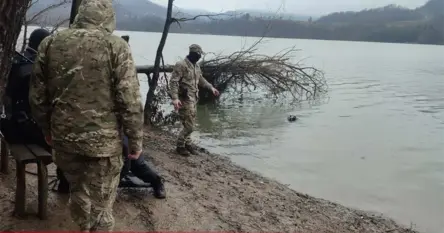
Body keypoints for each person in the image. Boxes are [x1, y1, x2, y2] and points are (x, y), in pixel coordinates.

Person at [28, 0, 143, 232]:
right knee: (101, 204)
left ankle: (83, 227)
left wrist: (47, 130)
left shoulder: (50, 43)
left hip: (65, 139)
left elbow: (38, 96)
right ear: (108, 18)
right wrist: (135, 140)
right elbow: (129, 99)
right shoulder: (116, 46)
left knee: (78, 191)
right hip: (103, 145)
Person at [57, 134, 166, 199]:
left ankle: (157, 181)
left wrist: (112, 183)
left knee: (136, 164)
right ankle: (66, 183)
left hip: (118, 137)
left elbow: (125, 166)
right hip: (84, 139)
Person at [169, 44, 220, 156]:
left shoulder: (196, 66)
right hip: (185, 98)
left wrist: (211, 87)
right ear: (193, 53)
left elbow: (201, 79)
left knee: (190, 121)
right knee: (189, 126)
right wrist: (175, 98)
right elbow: (174, 82)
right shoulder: (181, 65)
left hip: (194, 98)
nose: (200, 56)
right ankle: (180, 146)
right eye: (198, 54)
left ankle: (188, 144)